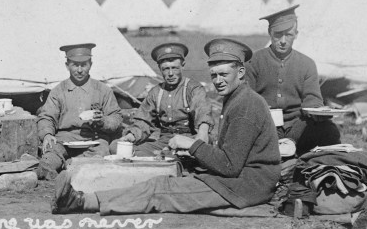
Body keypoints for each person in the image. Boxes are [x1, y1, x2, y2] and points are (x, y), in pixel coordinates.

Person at [52, 38, 281, 215]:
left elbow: (229, 165)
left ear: (241, 72)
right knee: (161, 183)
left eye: (224, 74)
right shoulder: (238, 99)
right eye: (214, 75)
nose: (218, 80)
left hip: (245, 186)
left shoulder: (246, 106)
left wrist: (191, 145)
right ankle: (85, 198)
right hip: (239, 179)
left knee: (160, 191)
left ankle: (81, 202)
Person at [246, 5, 341, 155]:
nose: (283, 41)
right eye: (278, 34)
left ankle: (292, 148)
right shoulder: (254, 61)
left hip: (297, 127)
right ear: (269, 33)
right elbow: (247, 99)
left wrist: (321, 112)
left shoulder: (306, 64)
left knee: (330, 131)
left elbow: (313, 102)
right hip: (264, 125)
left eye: (289, 35)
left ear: (296, 34)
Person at [36, 43, 122, 181]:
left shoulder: (103, 90)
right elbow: (46, 116)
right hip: (64, 140)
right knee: (49, 159)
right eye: (75, 65)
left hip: (94, 140)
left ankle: (72, 168)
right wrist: (47, 134)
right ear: (67, 65)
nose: (80, 70)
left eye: (84, 65)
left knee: (99, 159)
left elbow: (116, 117)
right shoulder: (58, 91)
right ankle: (61, 173)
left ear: (91, 64)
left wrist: (103, 121)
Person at [114, 42, 213, 156]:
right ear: (159, 69)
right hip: (164, 141)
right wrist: (132, 136)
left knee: (191, 155)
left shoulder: (193, 89)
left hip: (189, 139)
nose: (170, 73)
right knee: (120, 148)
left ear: (183, 65)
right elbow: (143, 120)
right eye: (166, 69)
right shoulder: (156, 92)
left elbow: (203, 114)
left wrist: (200, 139)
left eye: (174, 68)